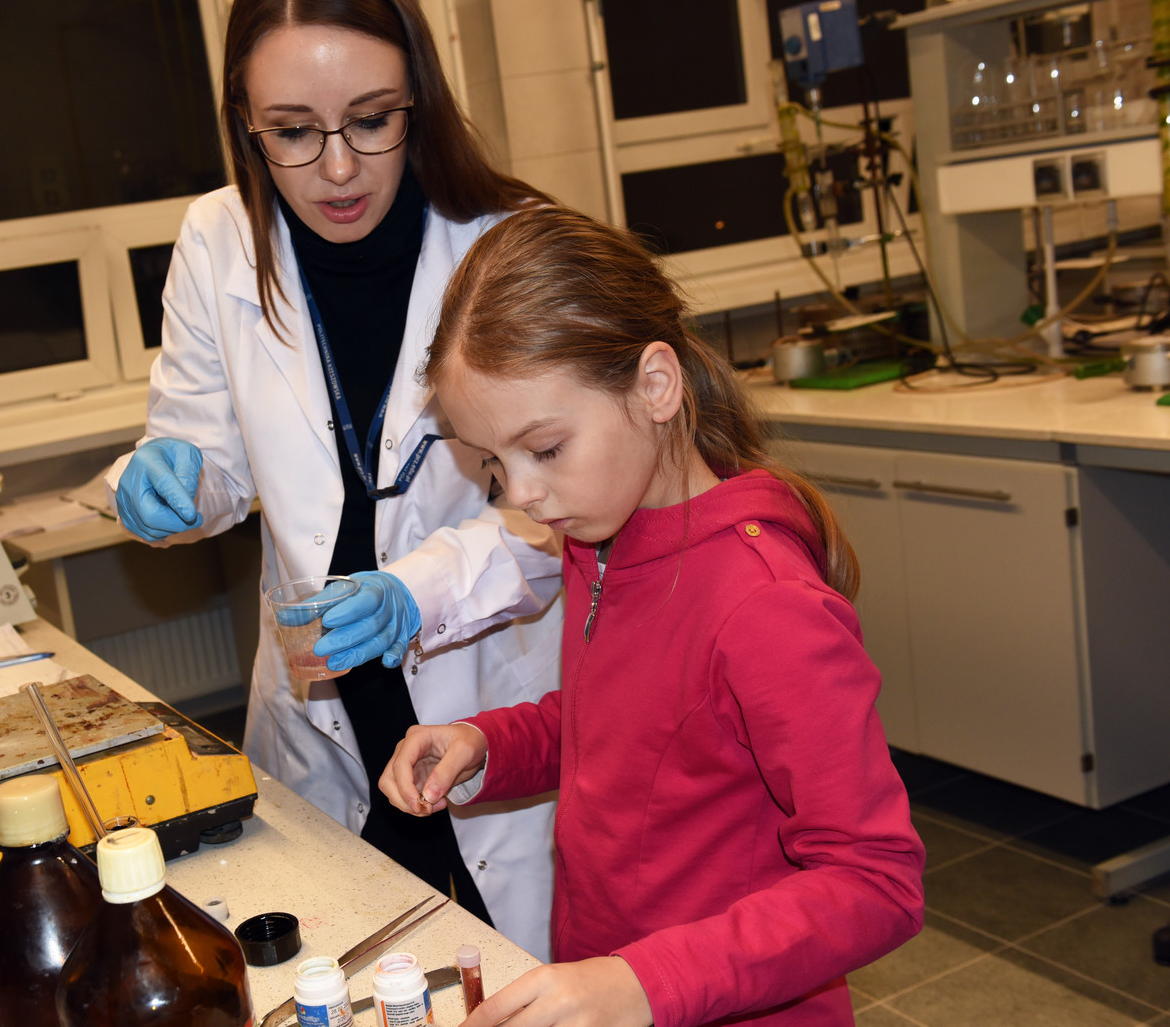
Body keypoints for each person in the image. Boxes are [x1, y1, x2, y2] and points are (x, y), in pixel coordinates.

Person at [97, 0, 562, 958]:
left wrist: (416, 593)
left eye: (371, 119)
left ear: (418, 100)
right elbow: (210, 456)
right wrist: (171, 478)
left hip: (485, 689)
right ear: (245, 122)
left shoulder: (507, 245)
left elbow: (559, 512)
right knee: (350, 974)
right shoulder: (218, 239)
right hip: (322, 710)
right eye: (294, 131)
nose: (339, 168)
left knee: (514, 974)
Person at [381, 206, 926, 1026]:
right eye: (493, 461)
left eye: (546, 449)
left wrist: (642, 983)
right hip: (619, 988)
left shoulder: (768, 608)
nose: (521, 493)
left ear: (656, 386)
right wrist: (489, 744)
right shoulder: (601, 539)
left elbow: (877, 883)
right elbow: (620, 729)